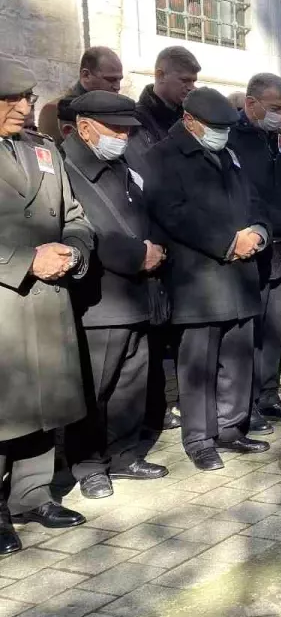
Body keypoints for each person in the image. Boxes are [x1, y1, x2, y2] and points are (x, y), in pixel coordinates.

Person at [143, 88, 271, 470]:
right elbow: (172, 212)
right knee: (198, 362)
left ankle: (231, 426)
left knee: (237, 355)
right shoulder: (162, 157)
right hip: (197, 276)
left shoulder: (227, 154)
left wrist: (259, 234)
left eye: (226, 128)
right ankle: (199, 437)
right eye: (215, 127)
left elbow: (254, 202)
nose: (222, 134)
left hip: (241, 272)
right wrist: (229, 242)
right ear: (189, 120)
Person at [0, 57, 92, 551]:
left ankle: (33, 495)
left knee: (42, 403)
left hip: (48, 294)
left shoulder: (43, 149)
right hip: (5, 300)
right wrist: (23, 260)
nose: (23, 106)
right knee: (4, 406)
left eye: (27, 97)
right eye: (11, 98)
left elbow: (75, 214)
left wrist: (73, 250)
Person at [62, 91, 171, 498]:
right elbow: (82, 229)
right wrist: (138, 254)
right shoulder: (66, 166)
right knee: (96, 387)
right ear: (86, 126)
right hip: (100, 298)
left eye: (128, 128)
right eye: (117, 128)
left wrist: (155, 247)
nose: (124, 136)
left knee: (131, 380)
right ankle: (89, 463)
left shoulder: (120, 164)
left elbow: (147, 211)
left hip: (138, 293)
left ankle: (124, 454)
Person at [230, 73, 281, 431]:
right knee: (251, 332)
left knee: (275, 331)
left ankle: (268, 393)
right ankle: (245, 404)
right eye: (275, 108)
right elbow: (247, 194)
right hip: (255, 247)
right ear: (251, 104)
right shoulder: (234, 140)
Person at [129, 46, 200, 174]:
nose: (191, 88)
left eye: (193, 81)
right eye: (185, 80)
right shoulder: (136, 120)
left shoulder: (190, 118)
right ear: (160, 76)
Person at [37, 46, 124, 144]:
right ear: (86, 75)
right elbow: (53, 155)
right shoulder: (53, 110)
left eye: (119, 80)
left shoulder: (115, 110)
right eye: (110, 80)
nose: (117, 87)